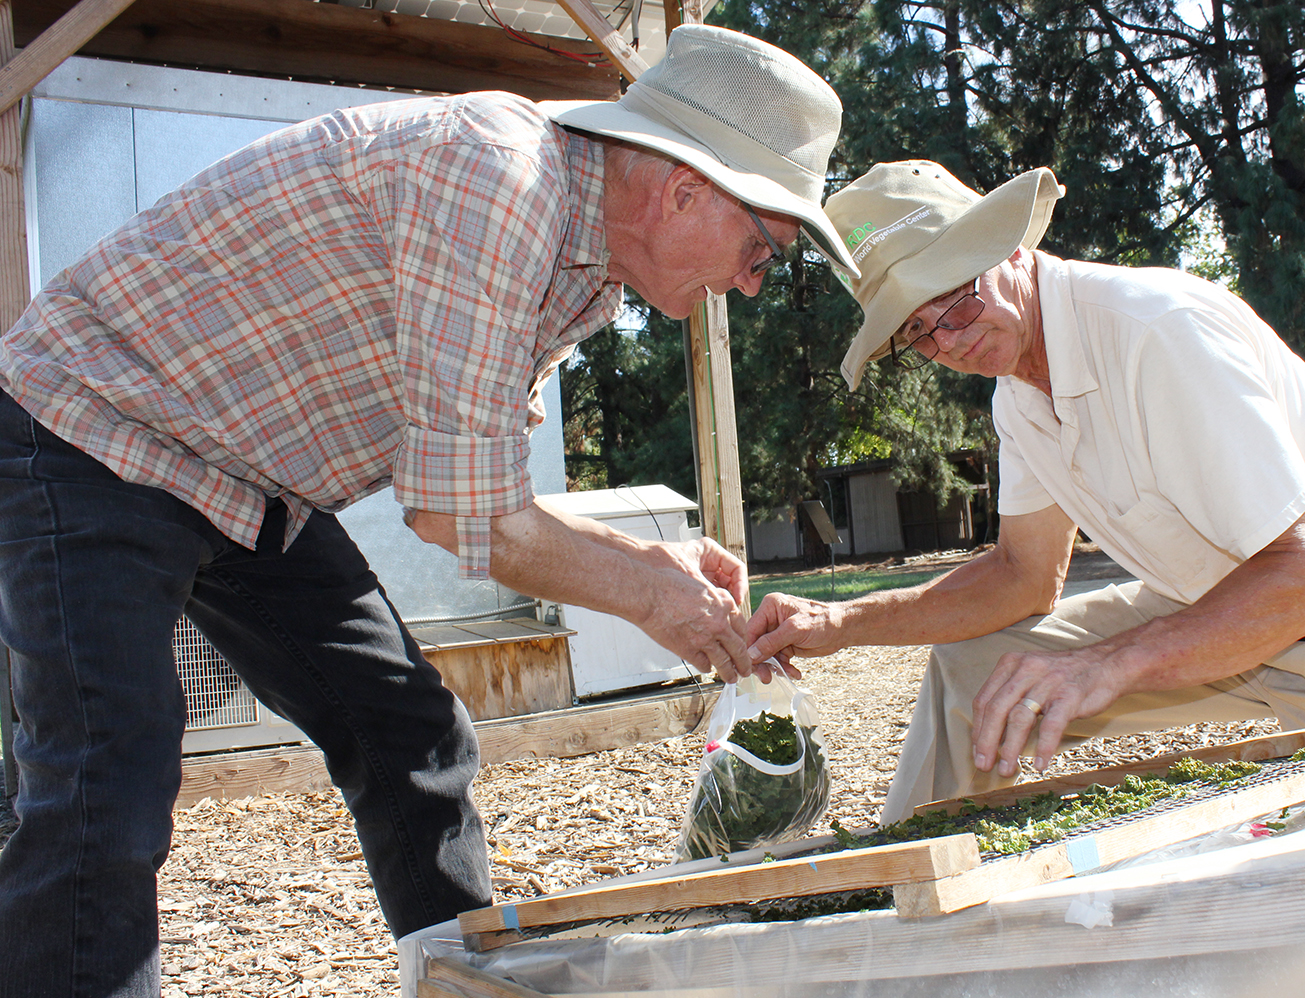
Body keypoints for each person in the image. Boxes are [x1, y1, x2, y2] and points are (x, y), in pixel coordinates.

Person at [0, 25, 858, 998]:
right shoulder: (498, 181)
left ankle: (454, 980)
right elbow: (459, 518)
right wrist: (655, 601)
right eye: (760, 249)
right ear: (683, 189)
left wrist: (652, 563)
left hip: (243, 482)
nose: (749, 283)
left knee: (410, 733)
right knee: (107, 775)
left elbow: (484, 488)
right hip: (93, 428)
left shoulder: (578, 270)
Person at [743, 160, 1305, 823]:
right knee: (972, 670)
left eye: (956, 298)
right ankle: (915, 896)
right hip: (1248, 625)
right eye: (917, 333)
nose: (950, 340)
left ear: (1007, 247)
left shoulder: (1156, 332)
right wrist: (842, 620)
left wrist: (1106, 666)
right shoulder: (1019, 396)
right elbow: (1023, 577)